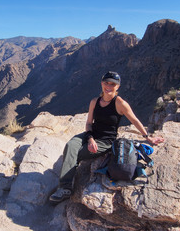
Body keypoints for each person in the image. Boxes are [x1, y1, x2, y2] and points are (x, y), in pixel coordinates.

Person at [49, 71, 164, 203]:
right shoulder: (94, 101)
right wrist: (90, 139)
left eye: (112, 84)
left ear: (117, 87)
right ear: (101, 83)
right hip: (91, 135)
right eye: (106, 83)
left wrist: (148, 137)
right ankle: (65, 188)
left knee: (78, 154)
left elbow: (135, 121)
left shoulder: (120, 103)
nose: (108, 86)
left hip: (106, 141)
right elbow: (88, 123)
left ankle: (65, 187)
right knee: (70, 146)